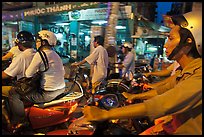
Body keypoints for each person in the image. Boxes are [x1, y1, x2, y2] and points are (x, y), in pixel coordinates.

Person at [83, 10, 202, 135]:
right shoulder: (183, 72)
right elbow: (162, 90)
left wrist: (105, 114)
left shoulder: (199, 76)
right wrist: (134, 96)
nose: (166, 46)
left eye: (171, 39)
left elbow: (162, 104)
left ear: (188, 42)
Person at [8, 30, 66, 130]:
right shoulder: (55, 54)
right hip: (61, 89)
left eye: (38, 40)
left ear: (44, 42)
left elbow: (28, 74)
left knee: (13, 92)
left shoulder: (41, 54)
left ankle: (20, 121)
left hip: (47, 93)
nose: (36, 42)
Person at [2, 31, 36, 97]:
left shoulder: (22, 57)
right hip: (34, 88)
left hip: (24, 89)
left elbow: (6, 75)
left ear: (19, 44)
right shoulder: (36, 54)